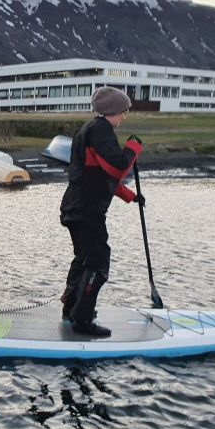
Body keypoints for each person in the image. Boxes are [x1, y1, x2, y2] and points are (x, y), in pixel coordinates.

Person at [59, 87, 144, 337]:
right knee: (98, 264)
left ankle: (71, 308)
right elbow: (118, 168)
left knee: (84, 258)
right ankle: (82, 321)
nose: (125, 117)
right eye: (124, 112)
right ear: (112, 111)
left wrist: (131, 197)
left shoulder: (88, 129)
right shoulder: (101, 131)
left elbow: (101, 174)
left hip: (74, 207)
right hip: (87, 211)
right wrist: (133, 148)